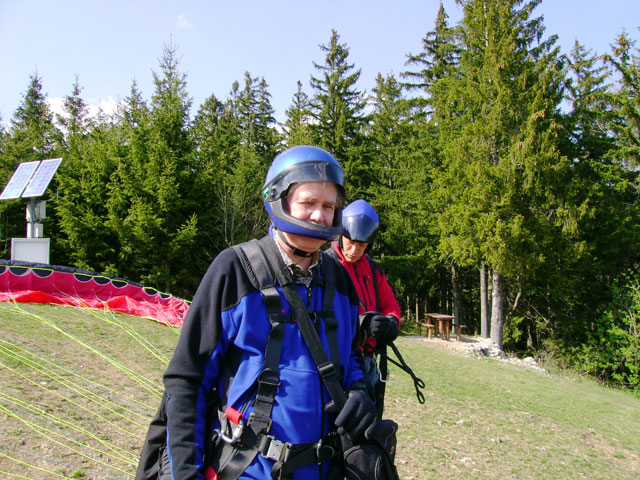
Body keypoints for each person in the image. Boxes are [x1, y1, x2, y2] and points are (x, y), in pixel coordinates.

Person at [159, 145, 377, 480]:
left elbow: (349, 357)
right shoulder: (235, 271)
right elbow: (188, 380)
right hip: (248, 469)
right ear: (279, 199)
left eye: (328, 206)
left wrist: (360, 391)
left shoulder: (340, 282)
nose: (319, 216)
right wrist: (185, 472)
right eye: (308, 203)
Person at [327, 199, 402, 396]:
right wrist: (360, 325)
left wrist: (389, 324)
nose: (354, 251)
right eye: (350, 243)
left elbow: (390, 305)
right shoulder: (325, 266)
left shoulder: (373, 269)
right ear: (341, 236)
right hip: (339, 364)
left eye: (361, 245)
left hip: (369, 363)